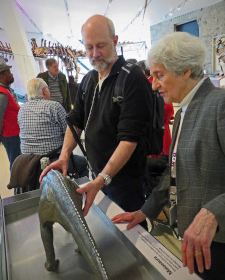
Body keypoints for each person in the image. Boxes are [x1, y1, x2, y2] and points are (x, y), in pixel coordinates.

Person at [112, 32, 225, 280]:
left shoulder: (220, 104)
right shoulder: (185, 109)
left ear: (185, 70)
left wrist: (214, 211)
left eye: (160, 75)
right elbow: (175, 171)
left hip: (217, 240)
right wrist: (145, 210)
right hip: (192, 237)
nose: (153, 85)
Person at [40, 14, 153, 220]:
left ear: (115, 41)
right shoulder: (90, 79)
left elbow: (129, 139)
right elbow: (76, 120)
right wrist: (65, 155)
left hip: (126, 182)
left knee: (128, 234)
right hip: (98, 177)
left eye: (100, 45)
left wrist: (102, 179)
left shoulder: (132, 79)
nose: (94, 53)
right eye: (89, 47)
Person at [18, 78, 88, 178]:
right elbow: (69, 132)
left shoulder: (22, 109)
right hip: (52, 159)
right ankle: (81, 191)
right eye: (48, 88)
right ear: (44, 91)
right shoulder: (54, 106)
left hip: (27, 162)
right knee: (83, 163)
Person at [0, 62, 20, 171]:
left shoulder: (7, 91)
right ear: (2, 76)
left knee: (18, 163)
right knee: (16, 165)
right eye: (9, 72)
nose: (11, 75)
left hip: (14, 134)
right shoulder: (2, 94)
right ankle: (17, 188)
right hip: (10, 136)